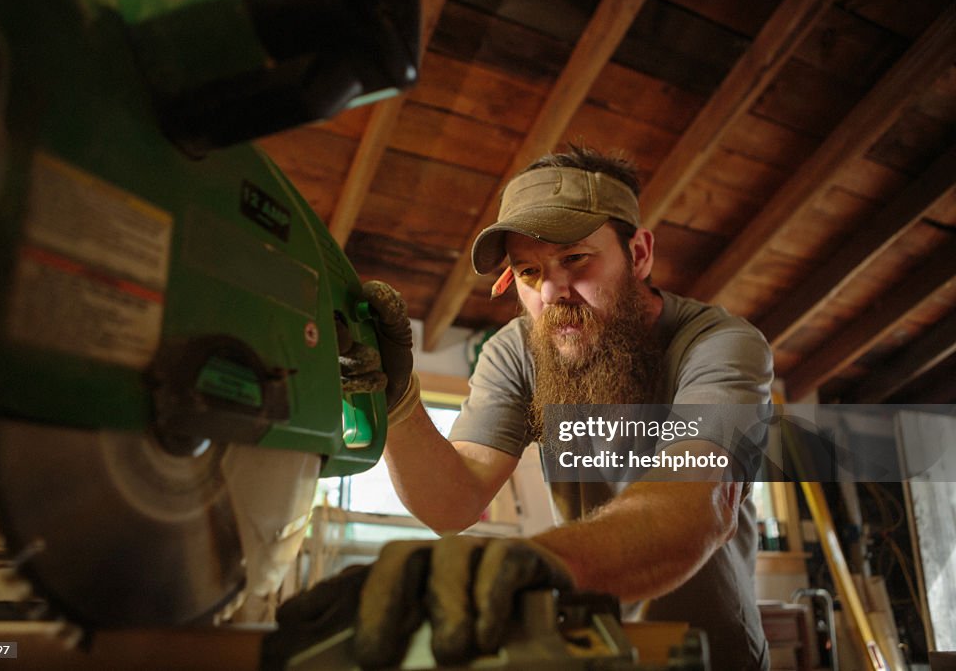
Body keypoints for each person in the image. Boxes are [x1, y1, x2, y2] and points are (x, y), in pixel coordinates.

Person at [304, 145, 774, 670]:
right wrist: (397, 404)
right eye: (529, 272)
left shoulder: (720, 344)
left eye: (575, 259)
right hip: (589, 650)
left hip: (713, 655)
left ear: (639, 254)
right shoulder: (519, 349)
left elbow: (698, 506)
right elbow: (451, 503)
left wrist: (539, 561)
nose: (552, 292)